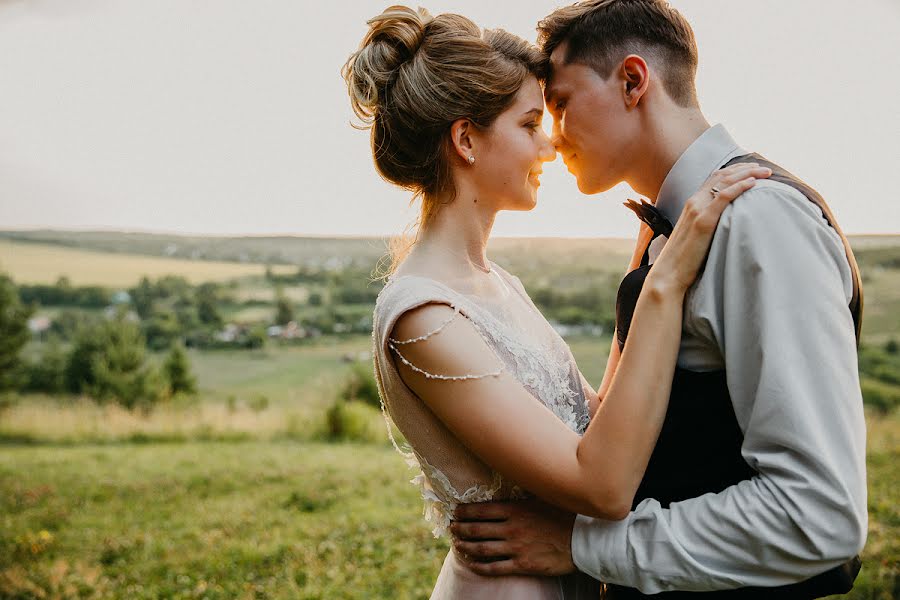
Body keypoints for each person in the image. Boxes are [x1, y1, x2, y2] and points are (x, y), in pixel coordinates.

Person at [344, 5, 772, 599]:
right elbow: (601, 484)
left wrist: (643, 266)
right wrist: (666, 286)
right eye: (527, 125)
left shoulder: (493, 282)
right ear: (466, 139)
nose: (549, 146)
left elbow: (591, 425)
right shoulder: (424, 319)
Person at [451, 1, 867, 598]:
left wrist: (582, 545)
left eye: (562, 103)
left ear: (632, 81)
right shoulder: (674, 224)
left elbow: (819, 516)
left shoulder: (759, 221)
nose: (554, 137)